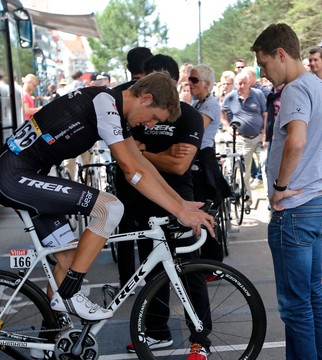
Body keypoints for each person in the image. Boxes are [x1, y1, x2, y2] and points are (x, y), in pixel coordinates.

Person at [0, 71, 214, 321]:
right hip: (11, 176)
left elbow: (143, 164)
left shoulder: (115, 107)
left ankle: (49, 336)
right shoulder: (105, 104)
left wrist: (181, 203)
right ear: (146, 98)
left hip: (24, 175)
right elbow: (131, 171)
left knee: (68, 258)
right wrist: (179, 212)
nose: (150, 126)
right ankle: (70, 293)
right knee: (109, 208)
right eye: (154, 118)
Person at [251, 22, 322, 359]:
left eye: (263, 63)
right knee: (311, 296)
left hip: (295, 208)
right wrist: (317, 173)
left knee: (295, 307)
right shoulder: (317, 85)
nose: (263, 72)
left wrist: (281, 187)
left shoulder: (293, 89)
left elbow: (297, 141)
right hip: (317, 200)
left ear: (280, 54)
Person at [113, 55, 211, 358]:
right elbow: (124, 157)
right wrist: (150, 153)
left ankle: (200, 339)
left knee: (189, 270)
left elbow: (180, 165)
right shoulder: (133, 110)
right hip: (137, 202)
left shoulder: (189, 117)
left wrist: (142, 151)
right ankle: (157, 332)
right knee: (151, 269)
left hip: (175, 201)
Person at [189, 63, 232, 262]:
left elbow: (195, 129)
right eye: (189, 79)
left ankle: (213, 262)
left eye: (194, 79)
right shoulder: (196, 103)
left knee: (206, 213)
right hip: (197, 159)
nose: (190, 83)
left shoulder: (210, 105)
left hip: (204, 160)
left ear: (206, 83)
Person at [220, 71, 267, 208]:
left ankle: (270, 200)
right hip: (242, 139)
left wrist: (265, 133)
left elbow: (265, 115)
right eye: (239, 83)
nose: (242, 86)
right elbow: (222, 112)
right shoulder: (230, 97)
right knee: (244, 172)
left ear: (249, 83)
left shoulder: (257, 94)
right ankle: (247, 200)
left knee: (265, 167)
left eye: (244, 83)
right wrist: (227, 127)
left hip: (259, 137)